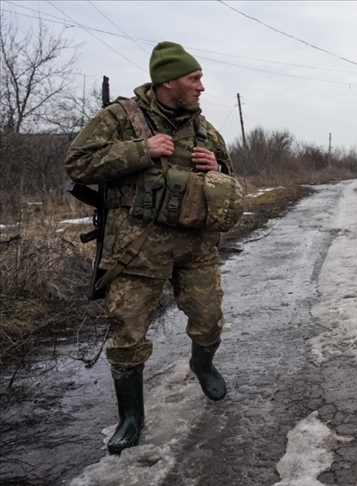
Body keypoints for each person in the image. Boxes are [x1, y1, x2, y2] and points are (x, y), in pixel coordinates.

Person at [65, 41, 235, 454]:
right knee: (126, 334)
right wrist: (141, 150)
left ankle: (202, 363)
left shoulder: (203, 127)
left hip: (194, 246)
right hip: (135, 249)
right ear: (167, 82)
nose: (201, 87)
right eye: (194, 79)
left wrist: (216, 168)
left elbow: (229, 175)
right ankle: (131, 417)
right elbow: (78, 162)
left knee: (209, 319)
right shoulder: (120, 118)